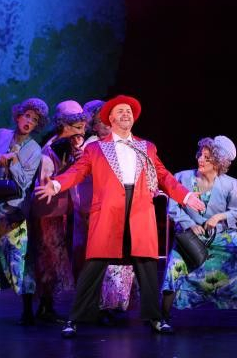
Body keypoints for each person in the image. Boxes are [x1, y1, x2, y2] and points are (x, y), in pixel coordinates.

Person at [35, 94, 206, 337]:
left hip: (139, 210)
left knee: (146, 265)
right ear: (111, 119)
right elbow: (77, 171)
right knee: (94, 266)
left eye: (129, 111)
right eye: (120, 111)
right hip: (108, 211)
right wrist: (56, 184)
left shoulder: (147, 147)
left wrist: (186, 196)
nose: (126, 114)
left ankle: (156, 319)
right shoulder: (95, 148)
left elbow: (164, 176)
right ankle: (74, 319)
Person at [160, 136, 237, 327]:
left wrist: (219, 217)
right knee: (175, 267)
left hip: (222, 235)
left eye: (207, 158)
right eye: (200, 155)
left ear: (218, 163)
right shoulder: (182, 177)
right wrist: (189, 224)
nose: (201, 159)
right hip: (190, 236)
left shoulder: (231, 184)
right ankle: (163, 317)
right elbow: (174, 207)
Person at [0, 98, 48, 325]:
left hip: (16, 209)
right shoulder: (2, 134)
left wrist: (14, 161)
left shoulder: (34, 149)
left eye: (34, 120)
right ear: (18, 116)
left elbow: (24, 183)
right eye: (27, 116)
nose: (29, 122)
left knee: (20, 257)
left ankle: (27, 310)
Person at [76, 100, 137, 324]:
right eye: (102, 121)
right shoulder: (92, 146)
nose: (107, 125)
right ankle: (101, 307)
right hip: (98, 211)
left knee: (120, 259)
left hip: (122, 210)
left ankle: (117, 304)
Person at [29, 100, 86, 322]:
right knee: (48, 257)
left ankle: (47, 305)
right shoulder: (52, 148)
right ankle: (45, 306)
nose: (82, 131)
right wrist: (72, 166)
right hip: (47, 212)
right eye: (78, 126)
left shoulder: (67, 145)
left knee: (53, 257)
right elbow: (46, 181)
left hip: (58, 211)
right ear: (65, 125)